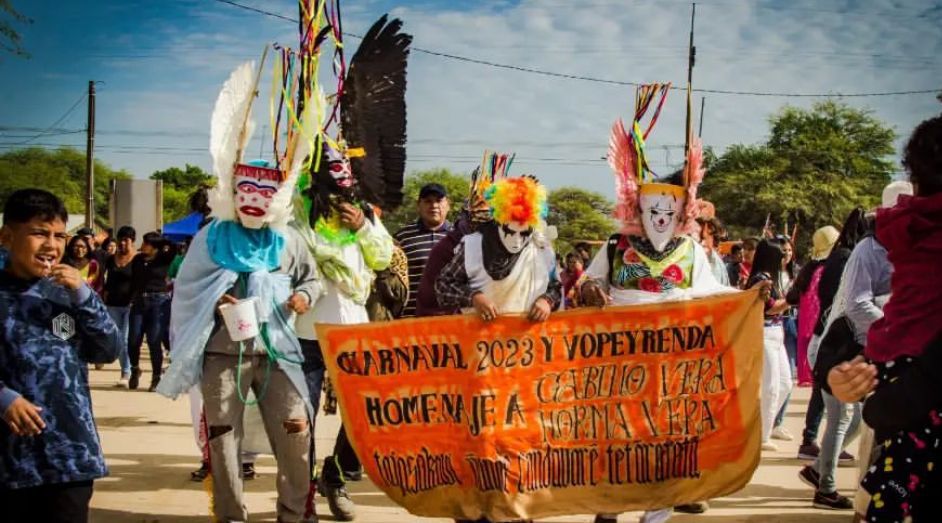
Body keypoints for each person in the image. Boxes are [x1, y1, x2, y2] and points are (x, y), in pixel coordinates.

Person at [157, 58, 321, 523]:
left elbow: (311, 278)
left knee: (296, 432)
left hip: (280, 352)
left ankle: (295, 514)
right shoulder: (212, 237)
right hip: (222, 354)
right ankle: (230, 516)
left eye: (264, 194)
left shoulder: (290, 238)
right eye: (246, 190)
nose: (255, 201)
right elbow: (188, 288)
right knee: (224, 439)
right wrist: (218, 300)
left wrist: (302, 297)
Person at [581, 85, 732, 522]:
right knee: (618, 438)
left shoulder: (692, 252)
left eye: (670, 210)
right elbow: (587, 286)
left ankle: (656, 514)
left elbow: (712, 295)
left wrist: (748, 298)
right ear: (638, 205)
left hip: (674, 367)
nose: (661, 218)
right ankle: (608, 511)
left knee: (668, 441)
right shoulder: (614, 246)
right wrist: (591, 291)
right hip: (619, 364)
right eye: (654, 209)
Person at [830, 114, 942, 522]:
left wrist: (888, 390)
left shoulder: (907, 234)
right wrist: (865, 366)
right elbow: (854, 307)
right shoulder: (879, 247)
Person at [436, 175, 557, 523]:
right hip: (477, 362)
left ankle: (517, 508)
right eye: (511, 230)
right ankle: (476, 509)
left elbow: (556, 289)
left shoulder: (542, 248)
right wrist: (472, 297)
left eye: (524, 230)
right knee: (479, 437)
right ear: (499, 218)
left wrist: (548, 302)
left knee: (521, 438)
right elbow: (444, 285)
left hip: (525, 361)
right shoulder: (472, 245)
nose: (517, 238)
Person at [0, 188, 121, 523]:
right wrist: (3, 397)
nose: (52, 245)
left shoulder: (66, 293)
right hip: (11, 464)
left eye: (59, 235)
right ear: (7, 236)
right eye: (39, 233)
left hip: (71, 458)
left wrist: (84, 296)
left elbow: (108, 350)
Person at [295, 142, 396, 521]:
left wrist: (364, 228)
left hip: (354, 330)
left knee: (364, 413)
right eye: (334, 173)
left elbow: (383, 257)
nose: (342, 184)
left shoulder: (364, 212)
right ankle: (301, 493)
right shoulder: (300, 215)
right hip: (306, 333)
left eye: (347, 175)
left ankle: (335, 476)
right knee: (299, 419)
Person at [415, 156, 506, 317]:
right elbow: (441, 289)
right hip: (450, 330)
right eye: (479, 216)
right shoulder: (449, 248)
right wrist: (473, 298)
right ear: (468, 214)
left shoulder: (508, 243)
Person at [745, 239, 794, 452]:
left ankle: (766, 426)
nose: (785, 258)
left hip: (776, 332)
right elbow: (771, 308)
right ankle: (761, 435)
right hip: (764, 333)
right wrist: (794, 297)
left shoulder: (770, 278)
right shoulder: (761, 279)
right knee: (771, 386)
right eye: (780, 255)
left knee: (785, 384)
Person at [393, 182, 452, 318]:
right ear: (418, 205)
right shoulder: (401, 238)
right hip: (412, 319)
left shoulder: (460, 236)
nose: (434, 206)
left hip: (451, 321)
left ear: (448, 204)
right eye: (428, 201)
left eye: (439, 200)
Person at [127, 231, 173, 391]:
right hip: (139, 301)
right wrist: (130, 299)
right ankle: (134, 369)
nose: (143, 246)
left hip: (158, 302)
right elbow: (133, 281)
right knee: (133, 339)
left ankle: (156, 377)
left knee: (154, 340)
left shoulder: (164, 259)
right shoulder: (138, 260)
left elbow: (173, 247)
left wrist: (161, 240)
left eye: (147, 243)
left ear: (155, 248)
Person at [102, 226, 137, 387]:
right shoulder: (110, 259)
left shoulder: (138, 259)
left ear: (132, 241)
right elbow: (106, 280)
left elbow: (141, 282)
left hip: (130, 305)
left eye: (126, 240)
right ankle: (128, 369)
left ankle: (126, 371)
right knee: (116, 338)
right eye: (120, 240)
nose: (122, 243)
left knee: (125, 338)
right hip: (112, 304)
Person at [697, 215, 731, 286]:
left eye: (703, 237)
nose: (700, 241)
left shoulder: (713, 264)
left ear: (714, 239)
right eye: (697, 236)